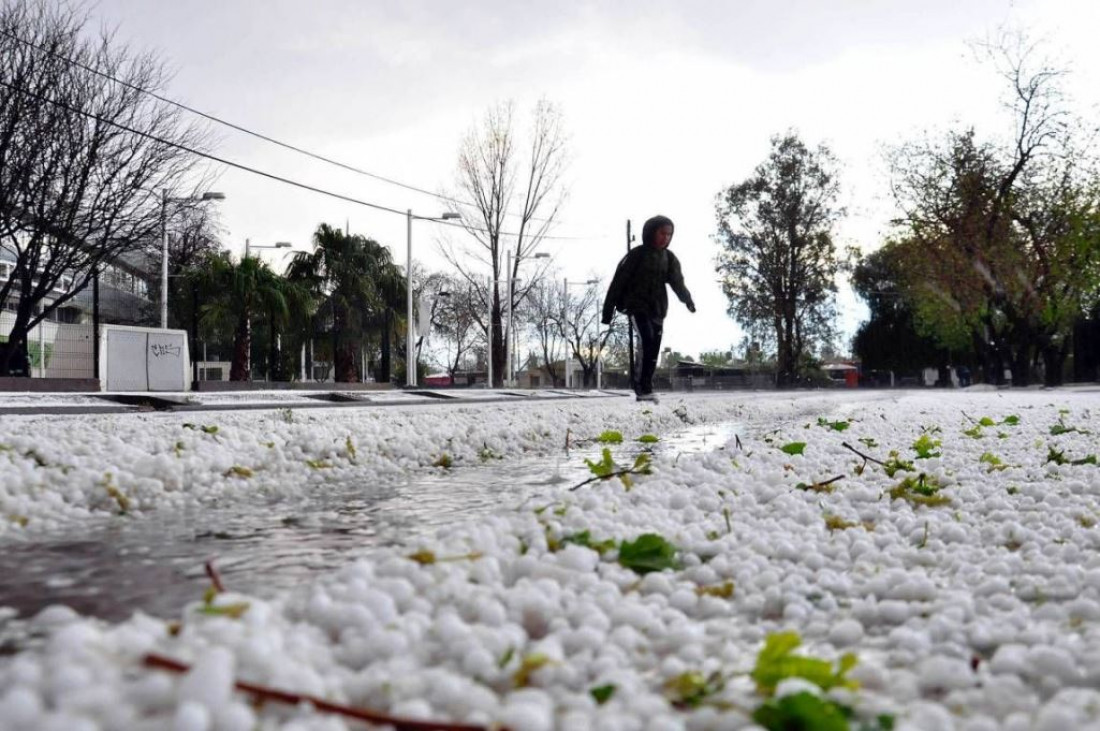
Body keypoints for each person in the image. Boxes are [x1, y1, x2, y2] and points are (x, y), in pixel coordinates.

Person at [601, 214, 695, 402]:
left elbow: (677, 282)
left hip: (658, 309)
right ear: (651, 232)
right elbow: (618, 282)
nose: (665, 238)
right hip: (637, 307)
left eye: (669, 235)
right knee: (647, 341)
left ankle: (647, 386)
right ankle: (641, 388)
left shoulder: (669, 258)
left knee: (654, 349)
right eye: (662, 233)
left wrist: (687, 300)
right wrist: (607, 311)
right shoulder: (636, 255)